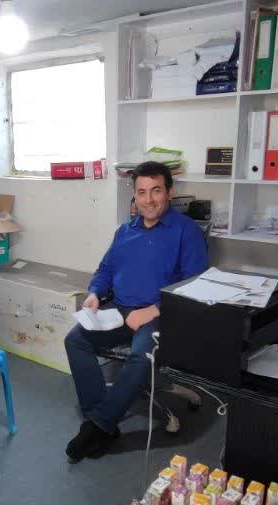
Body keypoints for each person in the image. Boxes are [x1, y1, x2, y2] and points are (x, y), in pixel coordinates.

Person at [63, 161, 209, 462]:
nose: (148, 200)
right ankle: (98, 418)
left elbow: (195, 286)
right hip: (120, 310)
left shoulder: (187, 231)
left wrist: (154, 309)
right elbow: (105, 270)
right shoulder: (125, 231)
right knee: (75, 340)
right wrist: (95, 293)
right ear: (135, 196)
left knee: (142, 355)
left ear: (169, 192)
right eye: (142, 192)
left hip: (163, 315)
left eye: (156, 190)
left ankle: (98, 427)